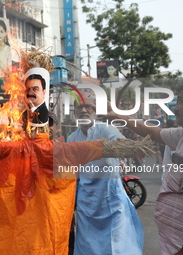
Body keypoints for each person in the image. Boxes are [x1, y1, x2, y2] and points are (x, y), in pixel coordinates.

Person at [105, 78, 183, 255]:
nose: (176, 108)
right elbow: (151, 131)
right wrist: (117, 116)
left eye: (181, 101)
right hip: (175, 242)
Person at [67, 92, 143, 255]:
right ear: (75, 112)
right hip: (86, 202)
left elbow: (117, 140)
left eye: (88, 106)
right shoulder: (72, 138)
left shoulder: (106, 129)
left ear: (95, 110)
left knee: (116, 245)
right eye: (80, 107)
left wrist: (121, 144)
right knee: (87, 245)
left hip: (110, 199)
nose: (84, 110)